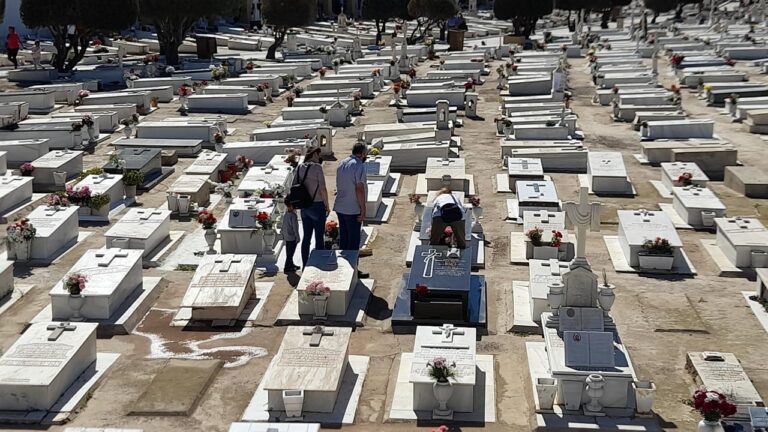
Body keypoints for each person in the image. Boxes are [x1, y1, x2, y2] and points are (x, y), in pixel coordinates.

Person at [334, 142, 370, 278]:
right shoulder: (358, 165)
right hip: (352, 207)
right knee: (353, 241)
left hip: (341, 206)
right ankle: (353, 271)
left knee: (344, 239)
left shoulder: (342, 163)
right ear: (362, 153)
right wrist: (363, 209)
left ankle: (343, 270)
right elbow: (359, 188)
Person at [294, 145, 329, 266]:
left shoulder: (299, 167)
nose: (319, 157)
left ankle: (305, 264)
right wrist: (327, 205)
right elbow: (323, 189)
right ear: (314, 154)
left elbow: (294, 185)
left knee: (306, 237)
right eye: (318, 154)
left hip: (304, 205)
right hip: (317, 204)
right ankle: (319, 263)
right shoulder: (317, 168)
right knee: (319, 237)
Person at [282, 198, 300, 274]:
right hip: (292, 237)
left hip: (286, 236)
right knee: (290, 254)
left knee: (289, 252)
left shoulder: (286, 214)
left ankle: (291, 265)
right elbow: (295, 228)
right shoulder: (293, 215)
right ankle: (287, 267)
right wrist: (297, 236)